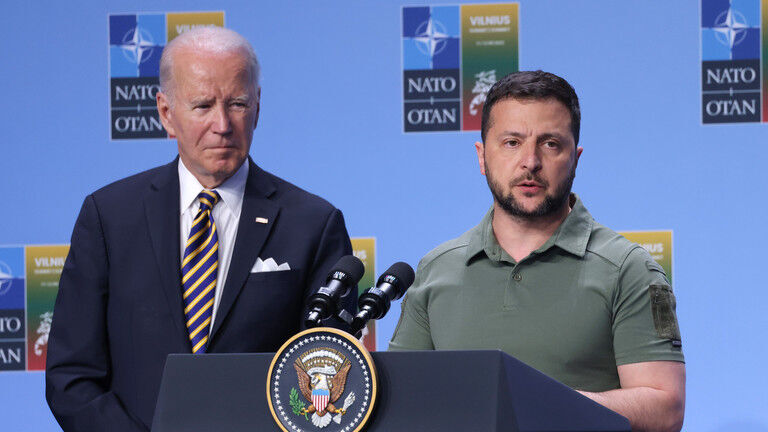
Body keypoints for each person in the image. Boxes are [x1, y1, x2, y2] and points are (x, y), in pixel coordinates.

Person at [45, 27, 355, 432]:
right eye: (203, 105)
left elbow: (328, 377)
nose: (222, 124)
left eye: (238, 103)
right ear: (166, 113)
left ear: (258, 107)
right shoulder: (108, 217)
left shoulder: (313, 223)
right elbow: (71, 377)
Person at [389, 71, 685, 432]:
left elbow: (665, 409)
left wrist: (536, 402)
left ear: (574, 159)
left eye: (550, 144)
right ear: (482, 156)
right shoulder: (436, 268)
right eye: (512, 142)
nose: (530, 161)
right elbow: (400, 402)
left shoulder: (629, 268)